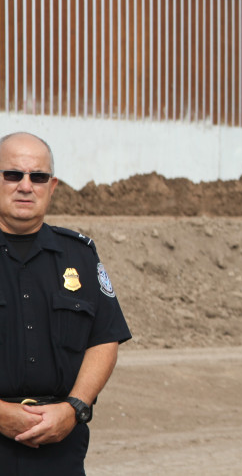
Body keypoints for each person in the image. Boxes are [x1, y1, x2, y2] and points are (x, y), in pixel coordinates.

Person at [0, 132, 132, 475]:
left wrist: (75, 407)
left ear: (52, 186)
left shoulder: (80, 256)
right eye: (13, 174)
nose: (25, 186)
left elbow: (104, 339)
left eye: (38, 177)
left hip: (60, 449)